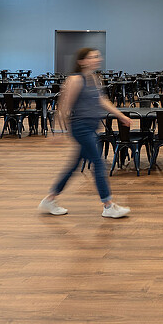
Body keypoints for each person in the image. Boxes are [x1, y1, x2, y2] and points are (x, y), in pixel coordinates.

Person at [39, 48, 131, 219]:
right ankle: (108, 205)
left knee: (74, 165)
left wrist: (121, 115)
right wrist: (57, 131)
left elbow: (102, 100)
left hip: (91, 127)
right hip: (80, 128)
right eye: (92, 57)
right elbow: (63, 106)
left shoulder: (94, 78)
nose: (97, 59)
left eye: (97, 56)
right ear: (82, 61)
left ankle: (50, 199)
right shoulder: (75, 80)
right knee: (98, 162)